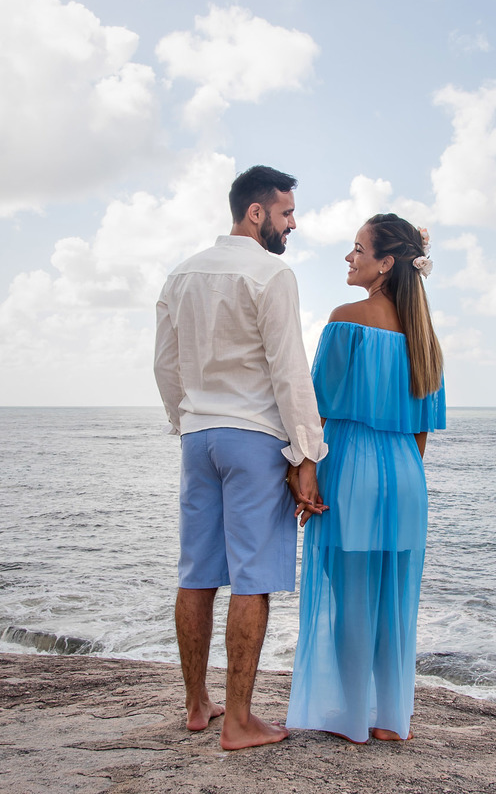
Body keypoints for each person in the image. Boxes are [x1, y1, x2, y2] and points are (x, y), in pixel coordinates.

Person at [153, 165, 327, 751]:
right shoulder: (271, 273)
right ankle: (241, 720)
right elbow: (289, 370)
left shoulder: (181, 274)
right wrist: (307, 455)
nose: (291, 224)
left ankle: (198, 703)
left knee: (196, 573)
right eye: (285, 213)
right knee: (251, 578)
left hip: (198, 438)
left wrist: (187, 421)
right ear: (256, 212)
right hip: (253, 437)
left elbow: (165, 366)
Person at [286, 213, 446, 743]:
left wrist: (304, 471)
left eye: (358, 249)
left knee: (351, 599)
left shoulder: (345, 319)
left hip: (351, 467)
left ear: (386, 263)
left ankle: (352, 717)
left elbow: (315, 408)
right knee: (394, 602)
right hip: (405, 476)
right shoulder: (425, 338)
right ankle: (389, 720)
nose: (349, 258)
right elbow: (422, 433)